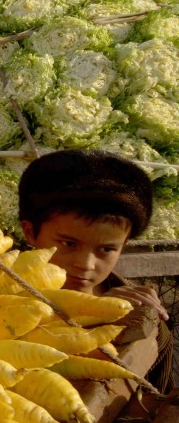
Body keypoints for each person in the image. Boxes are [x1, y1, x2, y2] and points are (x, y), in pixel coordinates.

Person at [18, 149, 173, 391]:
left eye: (106, 249)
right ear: (30, 232)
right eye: (69, 244)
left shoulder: (138, 311)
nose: (86, 264)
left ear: (124, 244)